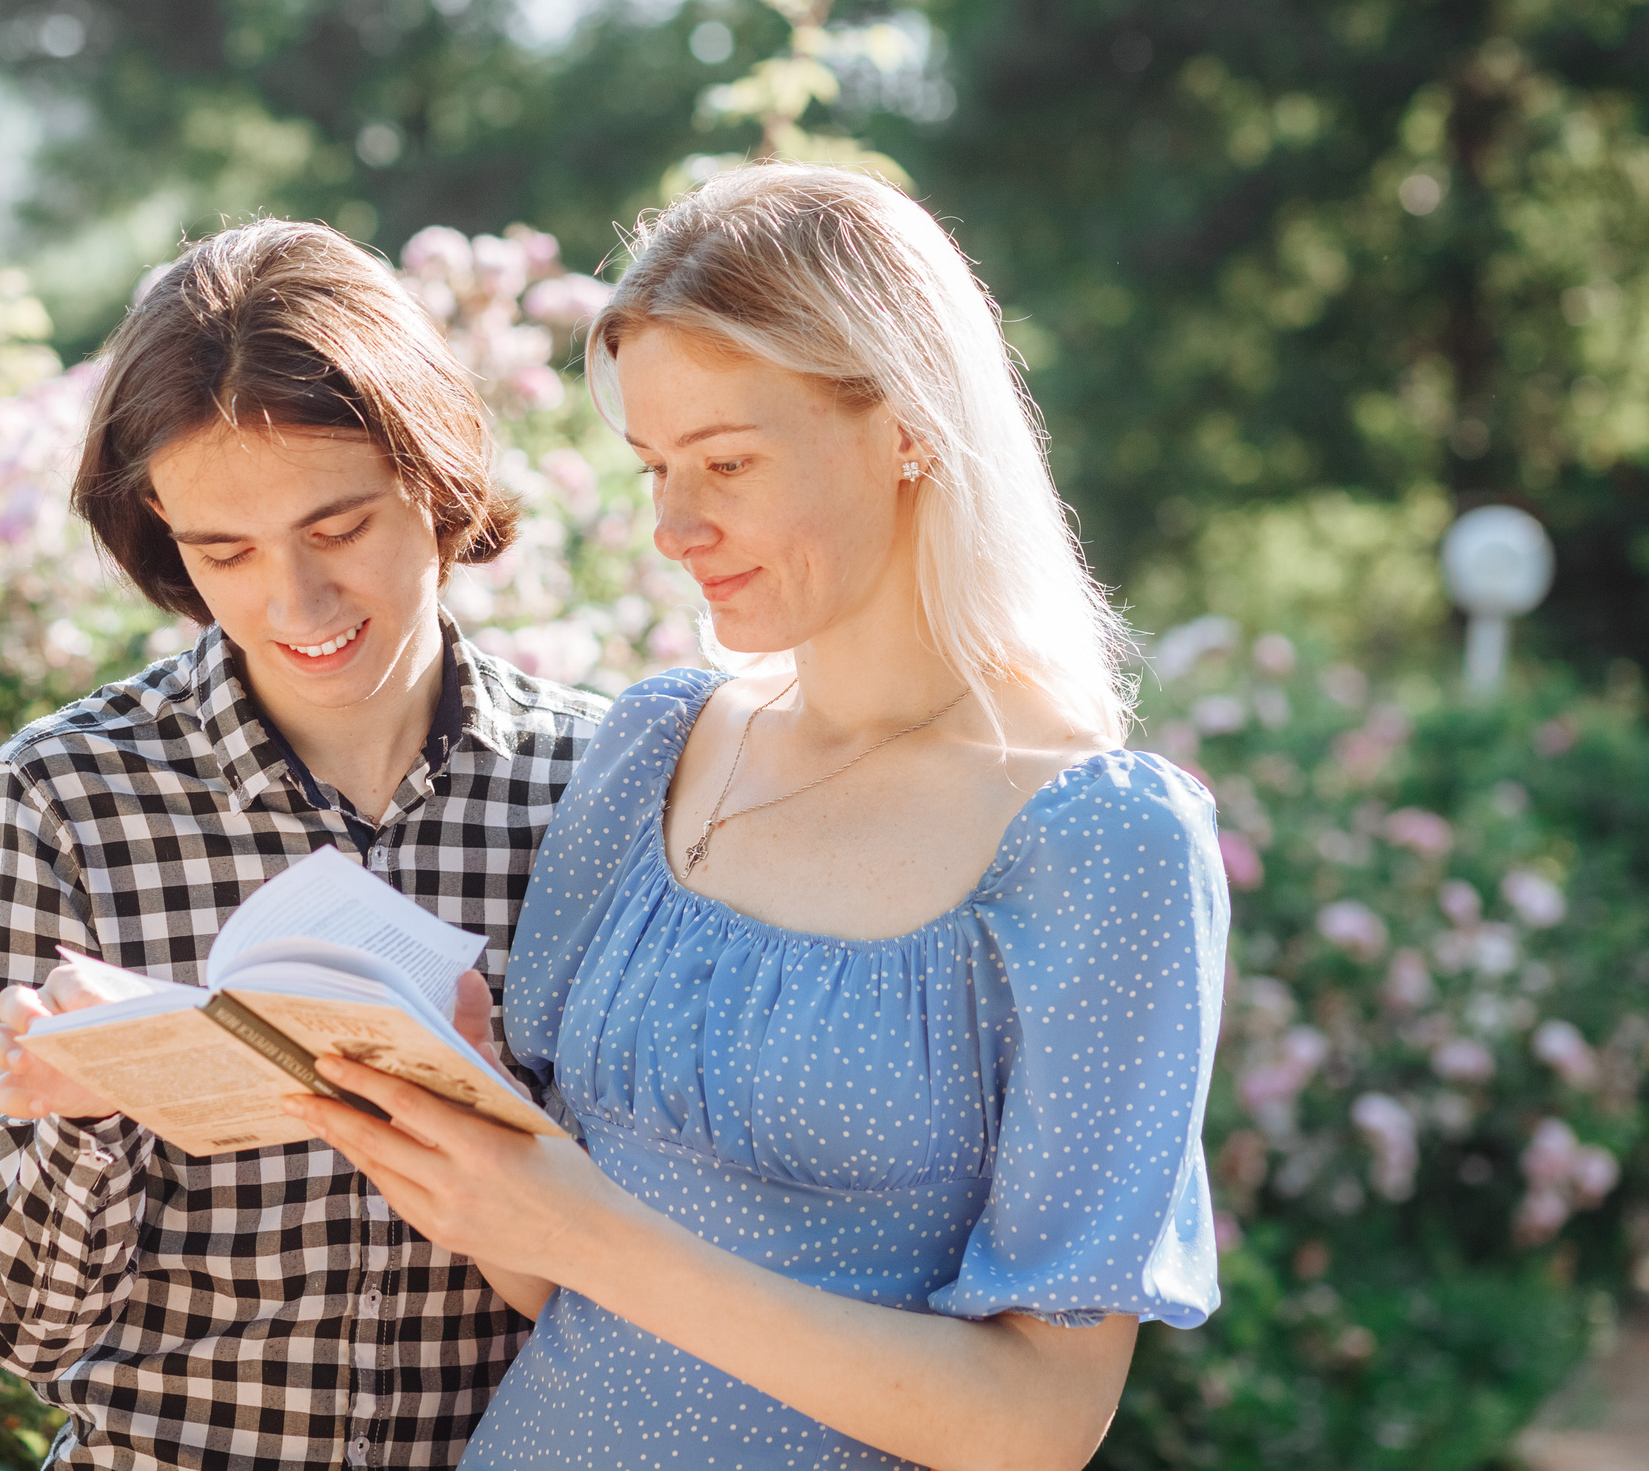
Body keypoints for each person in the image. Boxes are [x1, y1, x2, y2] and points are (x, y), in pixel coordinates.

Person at [289, 163, 1229, 1471]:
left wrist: (582, 1227)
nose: (675, 524)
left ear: (906, 425)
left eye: (727, 459)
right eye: (656, 467)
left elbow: (1040, 1419)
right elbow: (557, 1290)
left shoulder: (1099, 839)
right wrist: (467, 1146)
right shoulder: (652, 749)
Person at [0, 219, 607, 1468]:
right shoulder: (70, 792)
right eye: (223, 552)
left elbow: (669, 1265)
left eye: (337, 527)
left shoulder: (597, 787)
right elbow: (17, 1329)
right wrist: (91, 1114)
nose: (290, 605)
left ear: (436, 474)